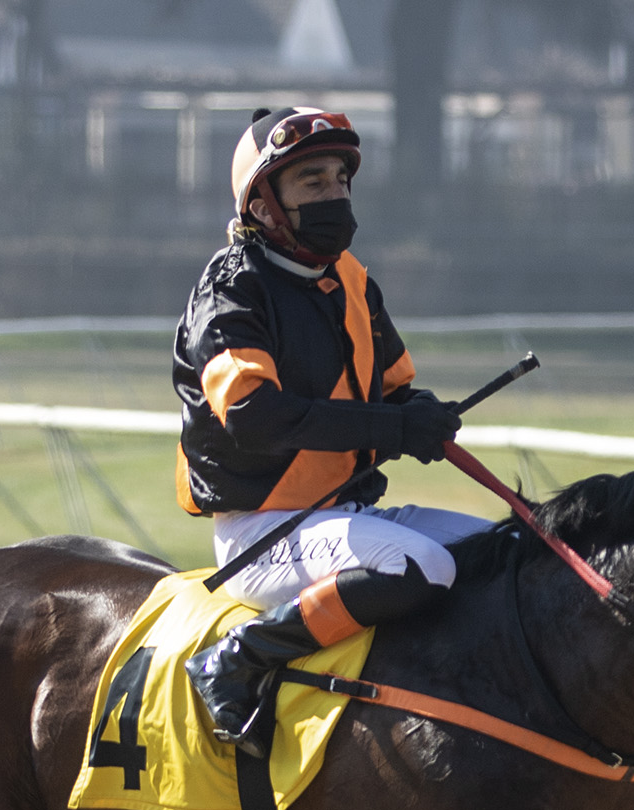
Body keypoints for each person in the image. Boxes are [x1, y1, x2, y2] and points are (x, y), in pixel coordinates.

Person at [174, 107, 486, 759]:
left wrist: (423, 415)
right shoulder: (231, 290)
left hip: (347, 517)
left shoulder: (353, 281)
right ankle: (237, 658)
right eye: (312, 182)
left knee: (509, 548)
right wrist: (394, 425)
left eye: (341, 180)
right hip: (262, 534)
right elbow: (256, 418)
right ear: (263, 204)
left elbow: (391, 395)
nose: (335, 196)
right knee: (423, 565)